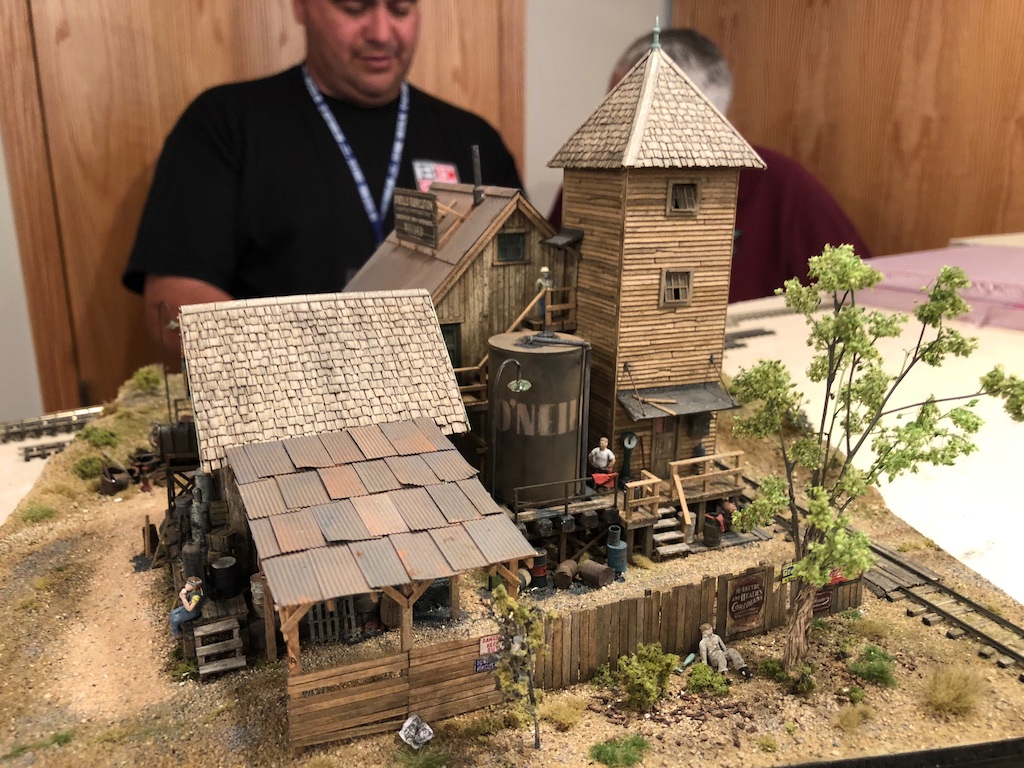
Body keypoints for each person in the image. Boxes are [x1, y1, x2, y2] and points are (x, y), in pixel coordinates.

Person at [124, 0, 522, 352]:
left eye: (400, 9)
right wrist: (321, 362)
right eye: (354, 7)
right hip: (282, 399)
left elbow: (520, 283)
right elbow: (172, 302)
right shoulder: (224, 123)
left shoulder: (474, 139)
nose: (382, 33)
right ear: (301, 6)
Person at [548, 28, 872, 304]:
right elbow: (548, 275)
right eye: (614, 112)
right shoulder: (593, 177)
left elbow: (861, 296)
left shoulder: (784, 188)